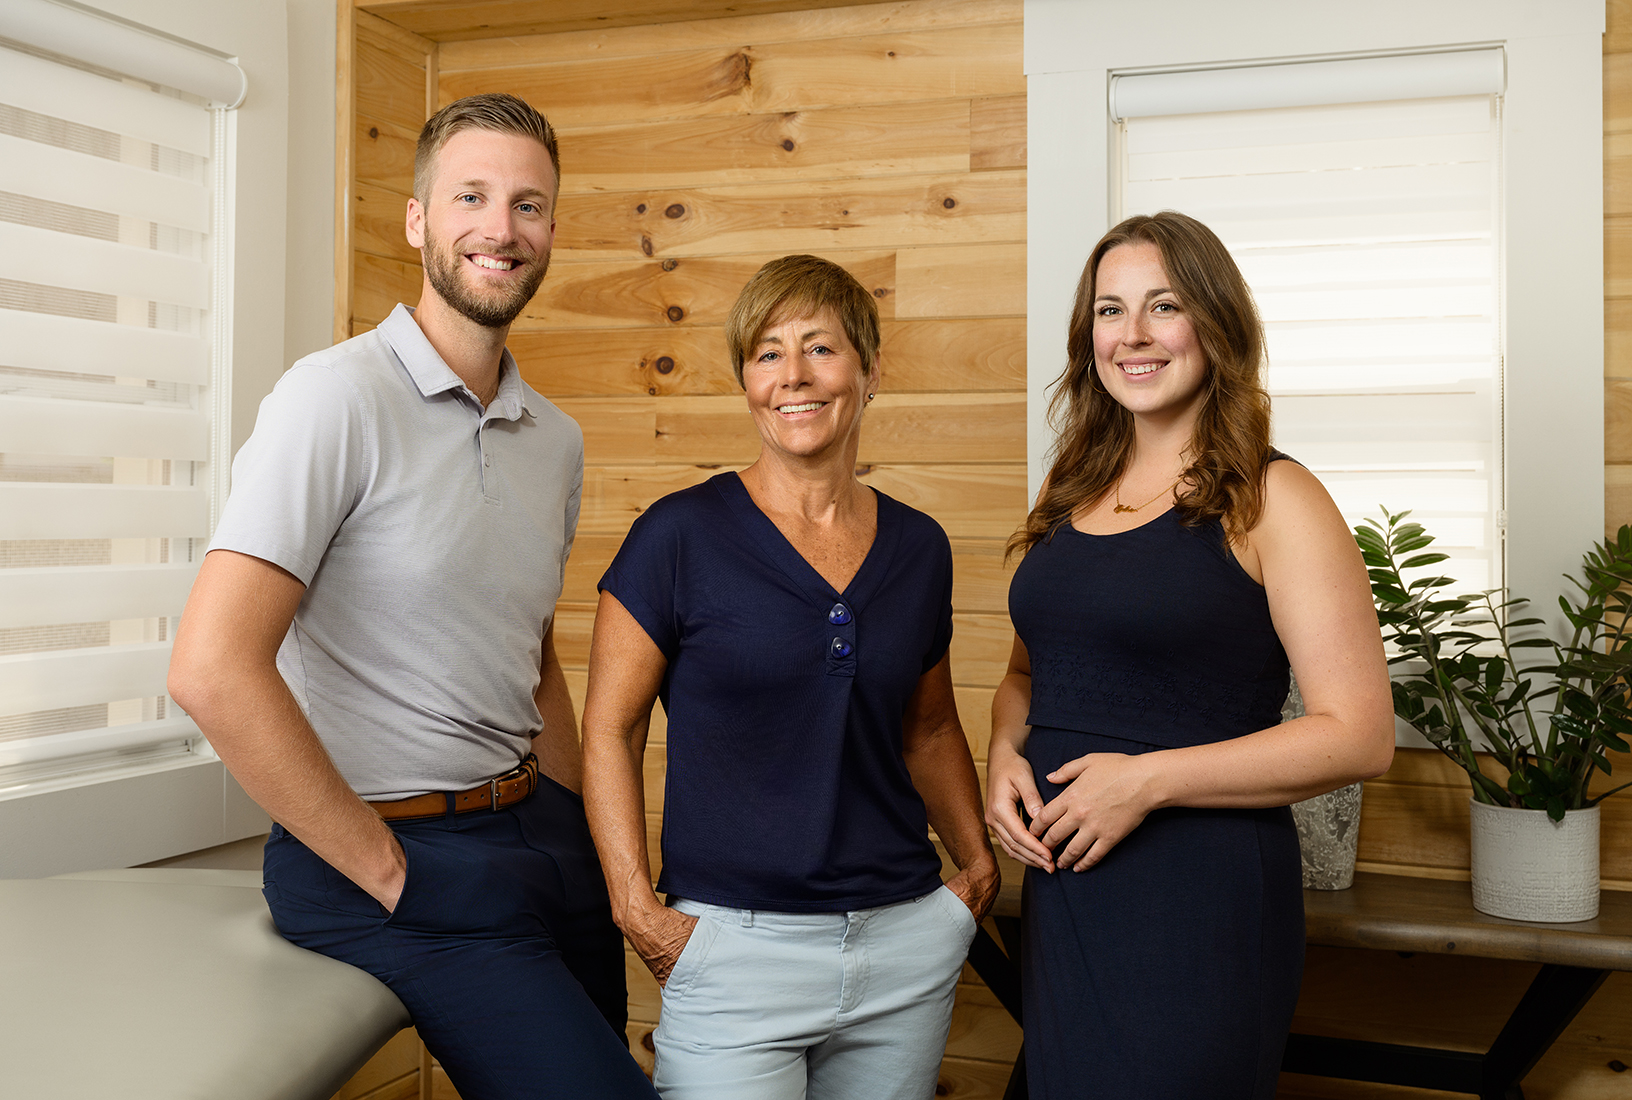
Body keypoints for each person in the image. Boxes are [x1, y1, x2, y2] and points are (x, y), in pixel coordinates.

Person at [167, 94, 658, 1100]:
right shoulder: (334, 396)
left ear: (553, 230)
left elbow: (529, 654)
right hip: (392, 856)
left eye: (529, 204)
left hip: (534, 833)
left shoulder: (552, 438)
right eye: (471, 196)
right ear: (418, 218)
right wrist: (391, 869)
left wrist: (588, 840)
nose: (501, 227)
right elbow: (212, 668)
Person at [984, 211, 1395, 1099]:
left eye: (1162, 306)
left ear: (1215, 323)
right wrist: (1001, 755)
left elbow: (1359, 735)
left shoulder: (1275, 497)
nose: (1131, 335)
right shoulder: (1073, 487)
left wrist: (1146, 780)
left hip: (1196, 895)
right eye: (1108, 310)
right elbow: (1026, 675)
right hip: (1068, 894)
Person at [581, 254, 1001, 1100]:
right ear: (745, 380)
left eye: (821, 349)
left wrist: (976, 868)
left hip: (903, 946)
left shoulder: (920, 548)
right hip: (732, 953)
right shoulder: (676, 537)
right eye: (768, 353)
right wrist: (636, 909)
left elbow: (928, 728)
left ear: (870, 371)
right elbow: (610, 728)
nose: (794, 376)